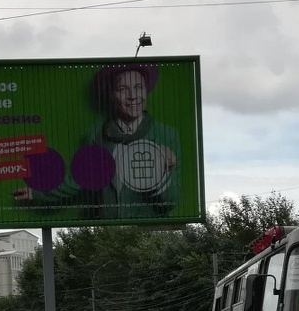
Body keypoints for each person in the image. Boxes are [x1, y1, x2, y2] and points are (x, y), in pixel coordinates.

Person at [13, 63, 181, 219]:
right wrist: (38, 193)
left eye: (139, 87)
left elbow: (170, 203)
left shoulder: (165, 135)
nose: (133, 96)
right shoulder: (96, 135)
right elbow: (78, 181)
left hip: (145, 234)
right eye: (122, 89)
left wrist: (161, 172)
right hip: (107, 233)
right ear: (111, 95)